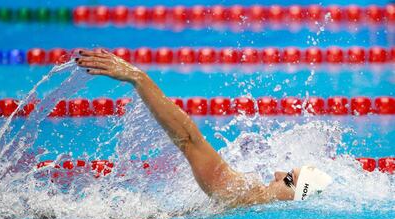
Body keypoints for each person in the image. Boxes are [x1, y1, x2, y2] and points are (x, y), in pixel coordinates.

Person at [76, 49, 332, 207]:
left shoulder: (245, 195)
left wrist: (138, 78)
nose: (277, 173)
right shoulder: (251, 202)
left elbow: (188, 139)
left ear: (295, 200)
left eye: (288, 179)